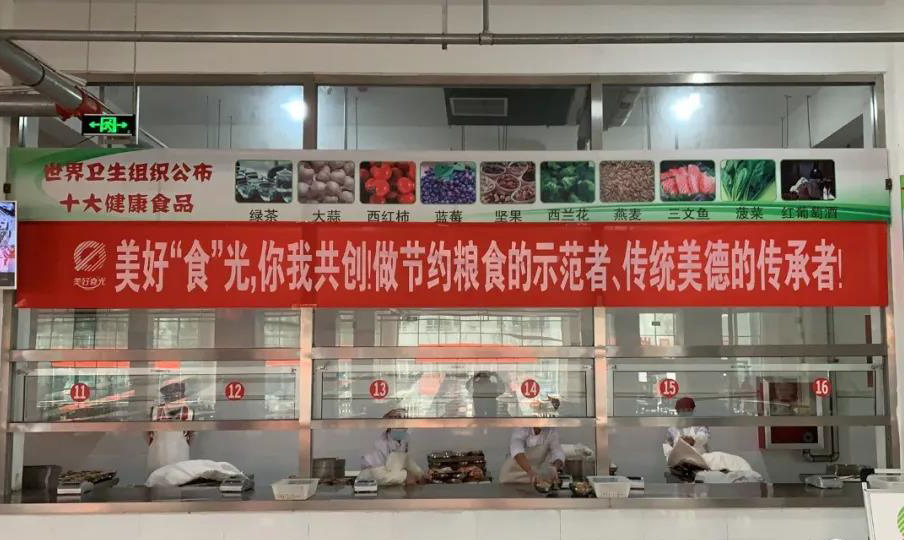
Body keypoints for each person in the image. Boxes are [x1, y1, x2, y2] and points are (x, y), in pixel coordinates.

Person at [358, 408, 425, 486]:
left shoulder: (403, 440)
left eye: (404, 421)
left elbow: (408, 462)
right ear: (388, 423)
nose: (403, 425)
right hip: (371, 488)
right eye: (398, 420)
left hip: (391, 487)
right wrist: (405, 476)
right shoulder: (378, 444)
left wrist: (421, 475)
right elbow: (380, 477)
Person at [147, 378, 194, 475]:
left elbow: (192, 437)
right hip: (156, 467)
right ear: (164, 393)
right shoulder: (154, 411)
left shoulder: (189, 413)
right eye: (171, 390)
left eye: (179, 390)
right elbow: (146, 436)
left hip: (181, 468)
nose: (175, 394)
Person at [499, 427, 566, 484]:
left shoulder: (551, 430)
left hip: (532, 477)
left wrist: (555, 468)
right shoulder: (521, 428)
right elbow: (517, 451)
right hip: (510, 475)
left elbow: (558, 452)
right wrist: (529, 470)